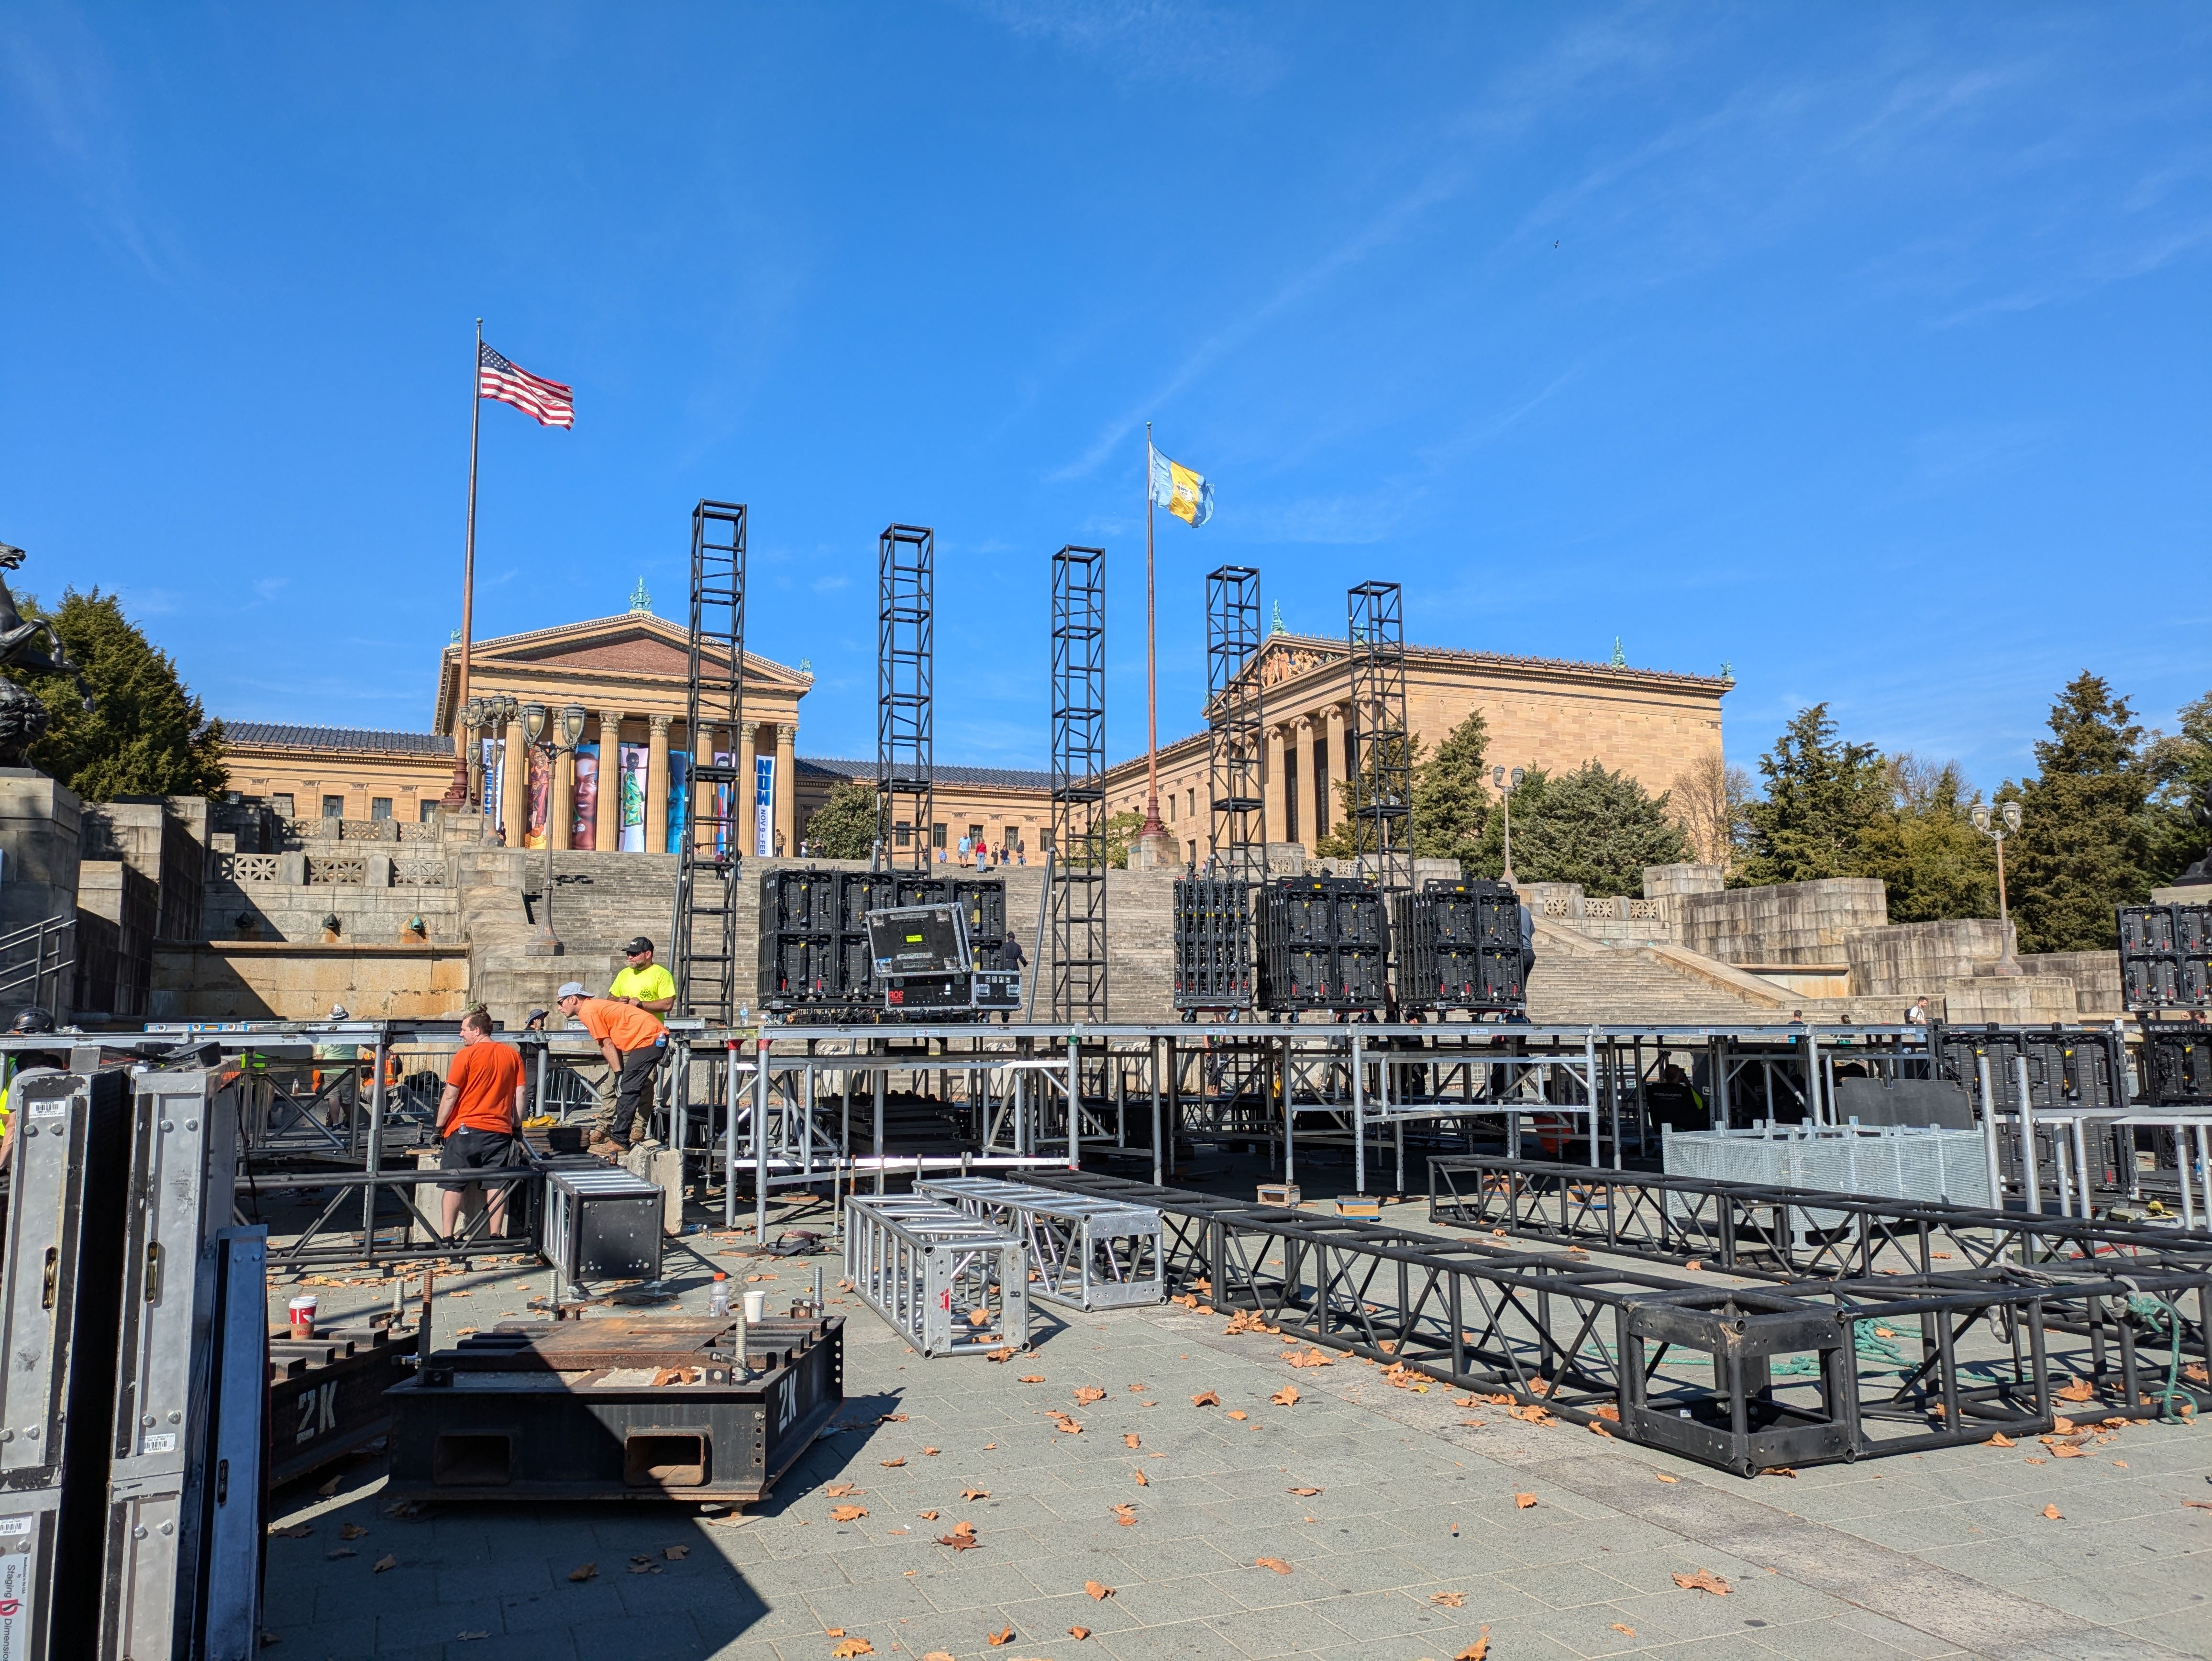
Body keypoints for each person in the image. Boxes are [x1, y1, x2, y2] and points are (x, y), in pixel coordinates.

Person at [436, 1008, 527, 1240]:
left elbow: (450, 1095)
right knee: (496, 1183)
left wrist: (438, 1127)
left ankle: (447, 1237)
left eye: (464, 1030)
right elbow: (520, 1094)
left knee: (453, 1182)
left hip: (464, 1129)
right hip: (499, 1130)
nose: (461, 1035)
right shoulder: (513, 1055)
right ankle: (495, 1235)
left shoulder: (465, 1056)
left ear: (477, 1030)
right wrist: (516, 1126)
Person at [557, 980, 667, 1154]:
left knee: (629, 1090)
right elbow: (611, 1043)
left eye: (560, 1002)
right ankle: (619, 1136)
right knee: (628, 1088)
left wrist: (619, 1074)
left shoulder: (588, 1011)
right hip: (649, 1038)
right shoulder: (594, 1007)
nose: (559, 1008)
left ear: (573, 999)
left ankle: (620, 1142)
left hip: (650, 1038)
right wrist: (619, 1073)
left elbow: (606, 1043)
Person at [608, 937, 676, 1015]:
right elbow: (610, 999)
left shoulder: (662, 974)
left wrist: (641, 1004)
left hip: (649, 1026)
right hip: (624, 1026)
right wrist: (618, 1001)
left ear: (648, 955)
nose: (630, 957)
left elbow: (667, 1005)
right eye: (629, 953)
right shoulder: (624, 973)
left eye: (634, 954)